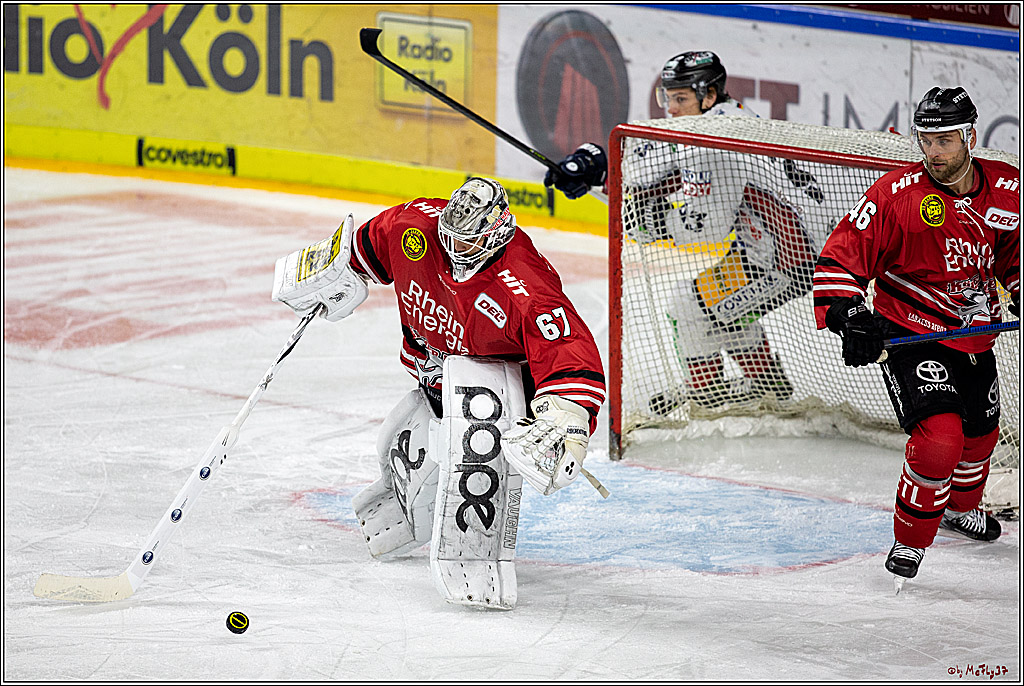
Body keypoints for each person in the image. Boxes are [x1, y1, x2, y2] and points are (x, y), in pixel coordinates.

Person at [271, 177, 606, 609]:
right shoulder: (415, 226)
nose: (455, 254)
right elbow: (365, 246)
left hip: (492, 403)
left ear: (497, 235)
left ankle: (478, 564)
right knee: (396, 441)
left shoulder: (526, 288)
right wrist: (331, 272)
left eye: (468, 246)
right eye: (450, 241)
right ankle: (407, 506)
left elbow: (567, 350)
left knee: (474, 460)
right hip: (433, 380)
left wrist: (564, 419)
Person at [813, 86, 1020, 583]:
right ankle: (910, 538)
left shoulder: (1010, 190)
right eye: (925, 140)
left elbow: (1014, 258)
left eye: (945, 140)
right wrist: (850, 316)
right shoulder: (895, 195)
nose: (934, 152)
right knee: (940, 440)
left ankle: (959, 509)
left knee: (980, 440)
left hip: (976, 334)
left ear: (971, 136)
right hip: (913, 333)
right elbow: (841, 258)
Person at [546, 51, 825, 411]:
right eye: (668, 98)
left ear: (708, 96)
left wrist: (649, 222)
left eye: (681, 99)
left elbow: (705, 230)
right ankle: (766, 386)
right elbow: (660, 172)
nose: (671, 109)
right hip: (775, 246)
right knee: (721, 310)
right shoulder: (728, 118)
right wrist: (599, 171)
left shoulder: (712, 143)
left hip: (790, 258)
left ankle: (706, 396)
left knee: (688, 308)